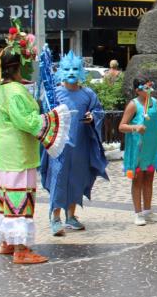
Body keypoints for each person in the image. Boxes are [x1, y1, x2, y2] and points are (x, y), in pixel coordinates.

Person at [0, 22, 72, 264]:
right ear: (21, 66)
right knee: (20, 198)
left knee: (9, 196)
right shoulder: (15, 91)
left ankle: (9, 241)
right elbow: (26, 122)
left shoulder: (4, 88)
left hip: (8, 153)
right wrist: (51, 119)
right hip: (18, 154)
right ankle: (21, 249)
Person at [40, 51, 108, 236]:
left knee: (77, 179)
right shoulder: (54, 94)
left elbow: (98, 111)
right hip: (59, 148)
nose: (71, 72)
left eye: (75, 68)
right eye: (67, 68)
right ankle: (55, 218)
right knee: (59, 180)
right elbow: (44, 116)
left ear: (81, 71)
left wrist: (92, 116)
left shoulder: (88, 93)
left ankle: (71, 216)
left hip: (80, 145)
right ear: (61, 71)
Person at [119, 79, 157, 226]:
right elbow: (122, 126)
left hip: (152, 146)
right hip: (139, 147)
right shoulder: (134, 104)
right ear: (137, 91)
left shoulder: (155, 102)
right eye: (145, 88)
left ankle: (148, 211)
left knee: (149, 179)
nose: (148, 90)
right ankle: (138, 213)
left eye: (150, 87)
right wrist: (135, 127)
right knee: (138, 179)